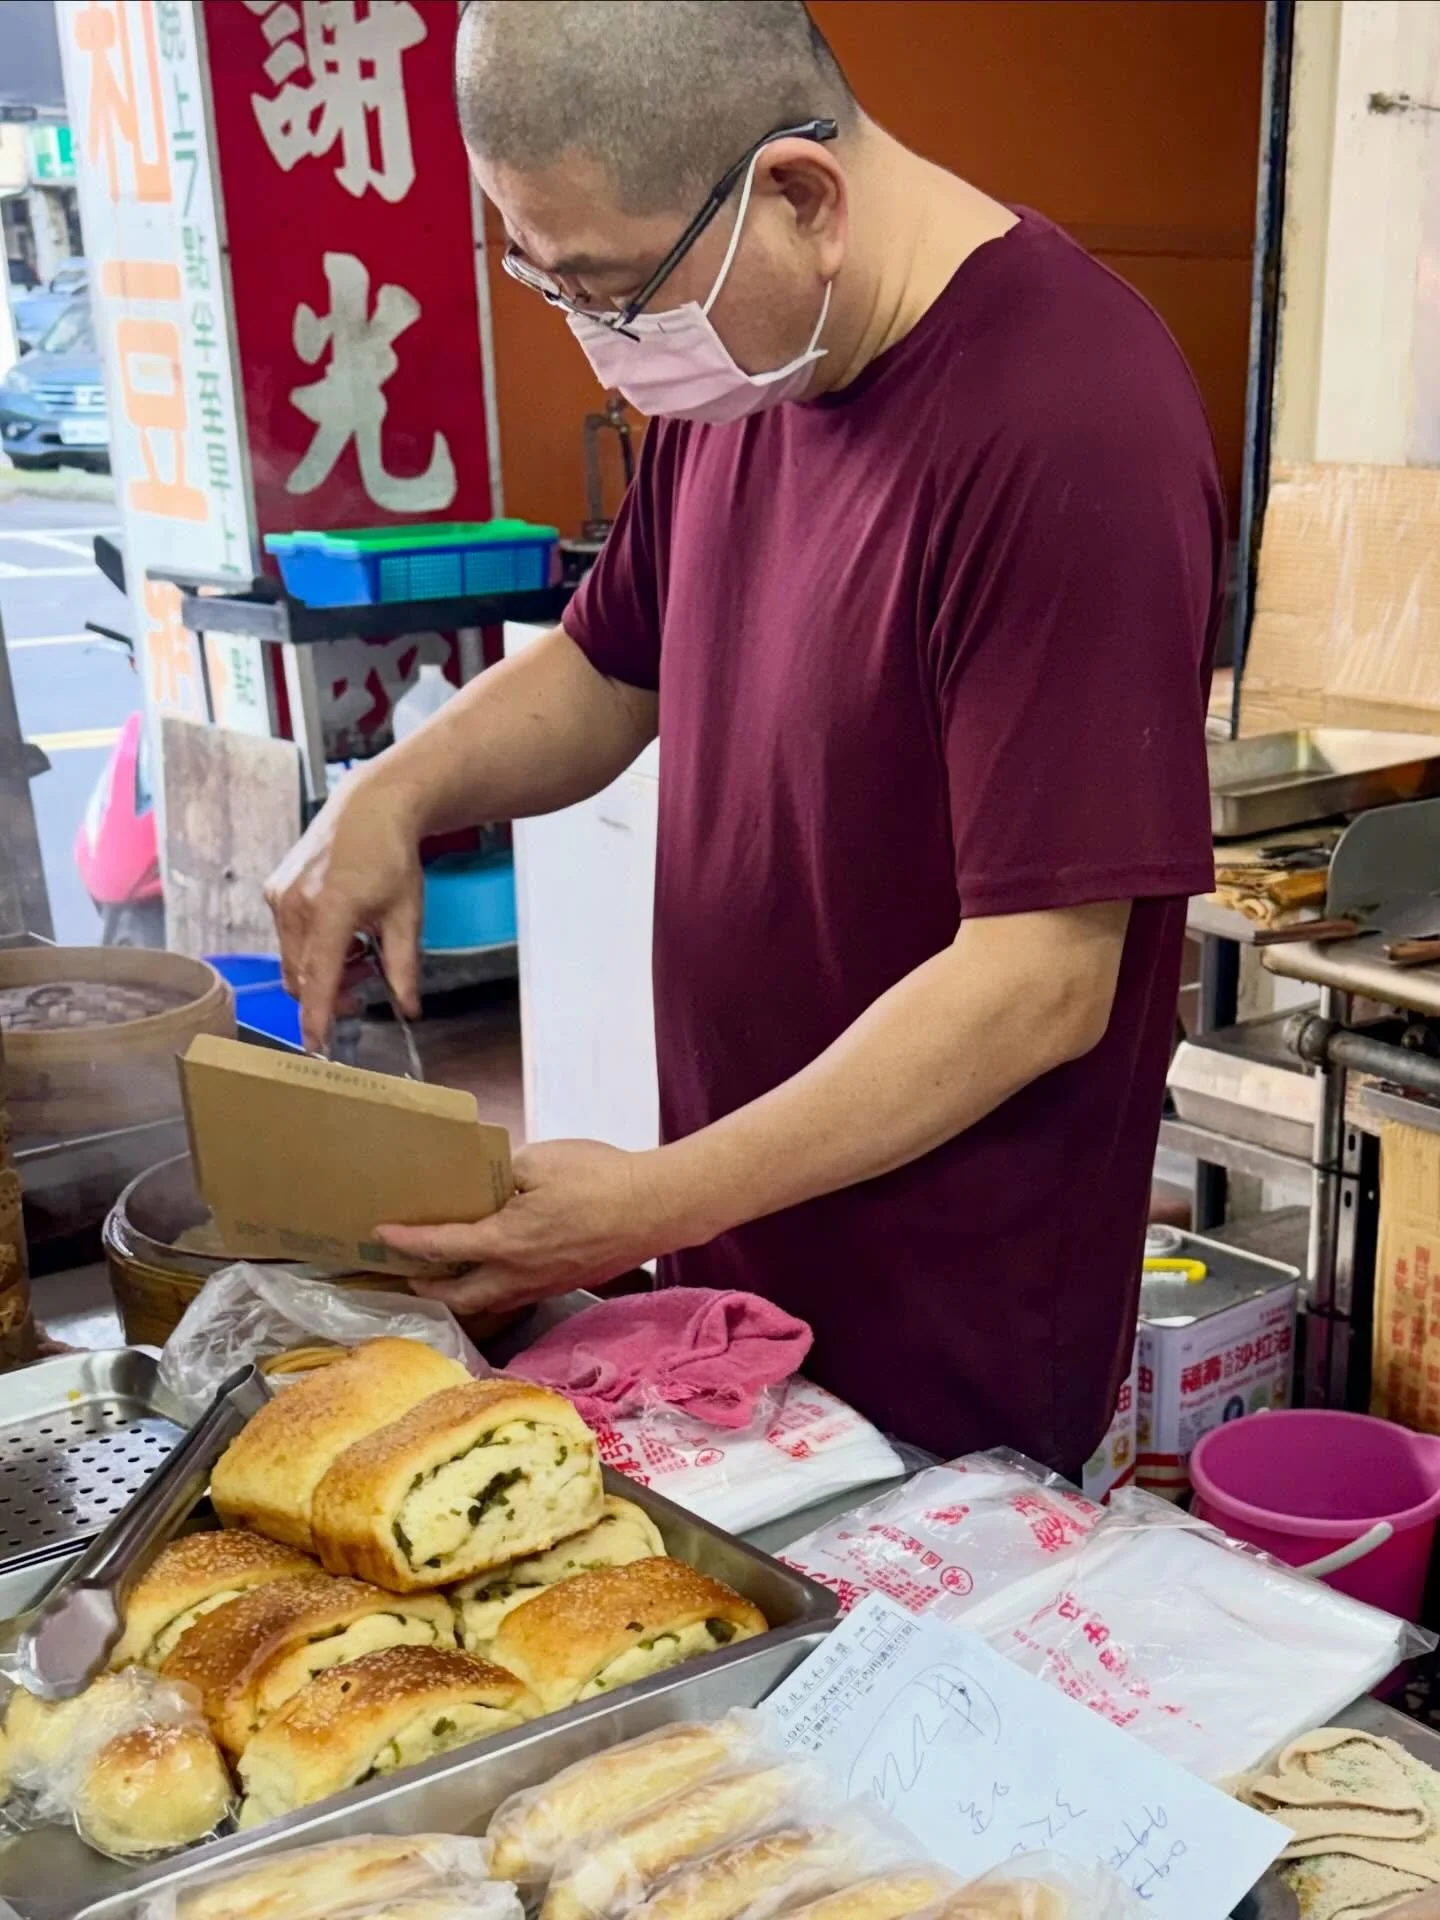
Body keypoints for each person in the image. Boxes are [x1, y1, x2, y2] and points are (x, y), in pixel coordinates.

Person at [267, 0, 1222, 1472]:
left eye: (612, 292)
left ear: (800, 194)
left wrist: (650, 1199)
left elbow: (1040, 981)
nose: (604, 357)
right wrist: (399, 788)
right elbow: (609, 668)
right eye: (554, 289)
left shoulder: (1072, 419)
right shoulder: (746, 361)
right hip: (740, 1295)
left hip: (953, 1356)